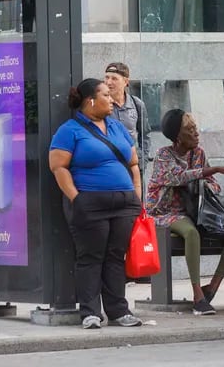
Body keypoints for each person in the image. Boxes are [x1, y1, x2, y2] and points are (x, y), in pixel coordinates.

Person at [49, 78, 142, 329]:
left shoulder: (117, 127)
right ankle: (90, 312)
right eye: (105, 95)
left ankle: (119, 311)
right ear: (90, 100)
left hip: (124, 203)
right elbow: (58, 167)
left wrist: (137, 195)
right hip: (90, 203)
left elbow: (133, 162)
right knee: (91, 257)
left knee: (115, 257)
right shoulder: (70, 130)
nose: (111, 99)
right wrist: (76, 199)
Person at [146, 108, 224, 315]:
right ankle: (198, 296)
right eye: (190, 130)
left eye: (196, 128)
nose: (196, 133)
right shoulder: (163, 155)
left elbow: (212, 184)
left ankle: (213, 287)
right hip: (164, 212)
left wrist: (209, 185)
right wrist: (215, 169)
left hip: (195, 211)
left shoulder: (198, 153)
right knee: (191, 233)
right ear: (178, 137)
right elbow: (178, 177)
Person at [104, 62, 150, 176]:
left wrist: (142, 162)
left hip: (133, 166)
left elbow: (145, 135)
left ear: (125, 82)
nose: (109, 82)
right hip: (110, 166)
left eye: (114, 78)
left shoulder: (137, 104)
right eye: (107, 77)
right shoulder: (101, 104)